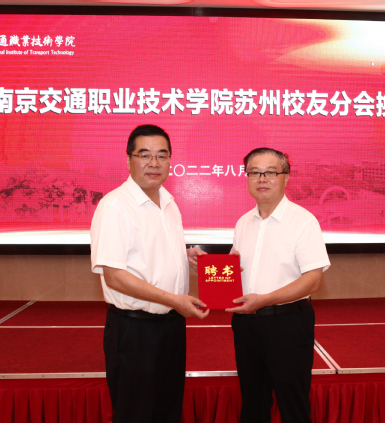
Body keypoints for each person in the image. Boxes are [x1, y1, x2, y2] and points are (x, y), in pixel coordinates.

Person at [90, 124, 209, 423]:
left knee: (167, 411)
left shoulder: (168, 202)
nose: (154, 163)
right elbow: (115, 275)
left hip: (171, 326)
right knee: (136, 414)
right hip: (135, 331)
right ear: (128, 160)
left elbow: (146, 253)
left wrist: (183, 254)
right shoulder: (115, 206)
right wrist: (174, 299)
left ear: (170, 161)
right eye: (144, 155)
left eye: (162, 155)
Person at [227, 147, 330, 423]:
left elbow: (313, 280)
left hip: (288, 324)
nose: (262, 179)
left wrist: (264, 300)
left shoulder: (303, 221)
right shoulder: (243, 223)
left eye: (270, 172)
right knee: (253, 404)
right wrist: (206, 266)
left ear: (286, 177)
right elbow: (233, 269)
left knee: (293, 405)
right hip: (246, 325)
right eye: (254, 172)